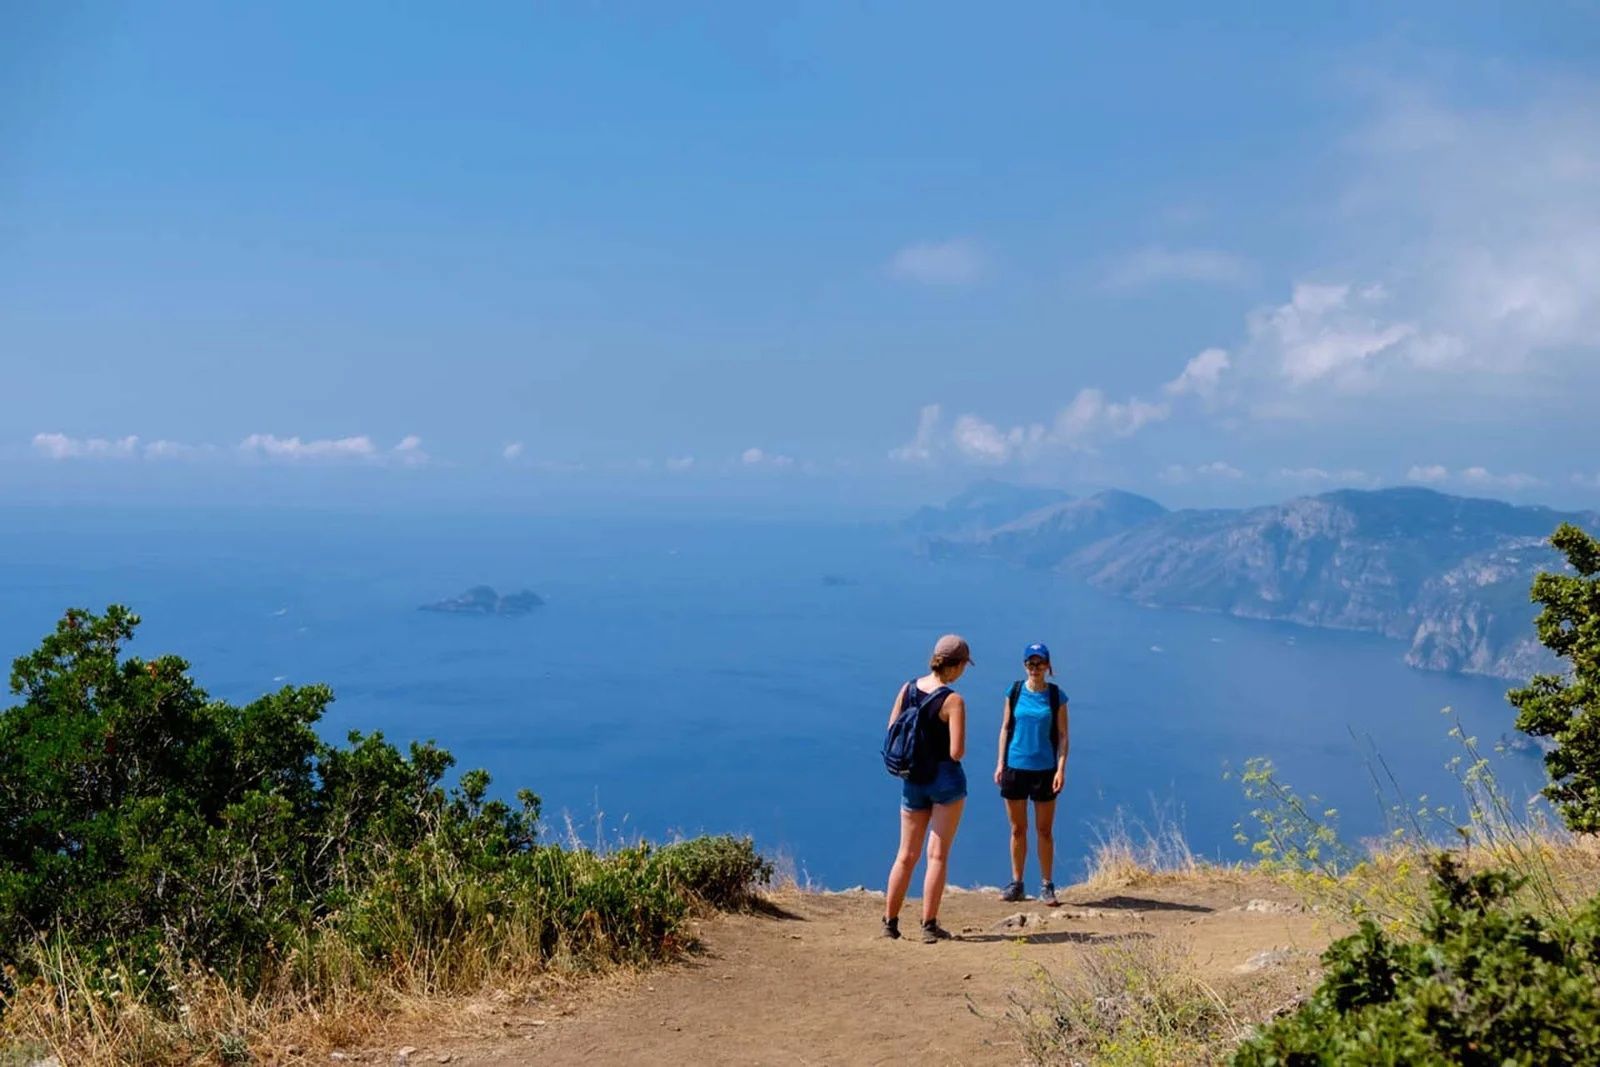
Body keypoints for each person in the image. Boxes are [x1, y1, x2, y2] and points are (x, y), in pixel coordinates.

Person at [882, 633, 971, 943]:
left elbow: (892, 729)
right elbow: (957, 751)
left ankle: (890, 923)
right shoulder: (953, 700)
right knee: (937, 855)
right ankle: (928, 925)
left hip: (912, 779)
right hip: (945, 781)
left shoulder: (907, 689)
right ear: (957, 665)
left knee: (905, 855)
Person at [994, 642, 1069, 905]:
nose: (1035, 668)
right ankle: (1017, 883)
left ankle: (1047, 885)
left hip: (1045, 770)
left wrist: (1060, 768)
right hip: (1015, 767)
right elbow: (1005, 728)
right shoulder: (1014, 691)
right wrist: (1000, 763)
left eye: (1040, 663)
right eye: (1030, 663)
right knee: (1017, 829)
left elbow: (1062, 735)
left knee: (1044, 830)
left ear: (1048, 666)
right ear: (1024, 665)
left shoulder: (1056, 696)